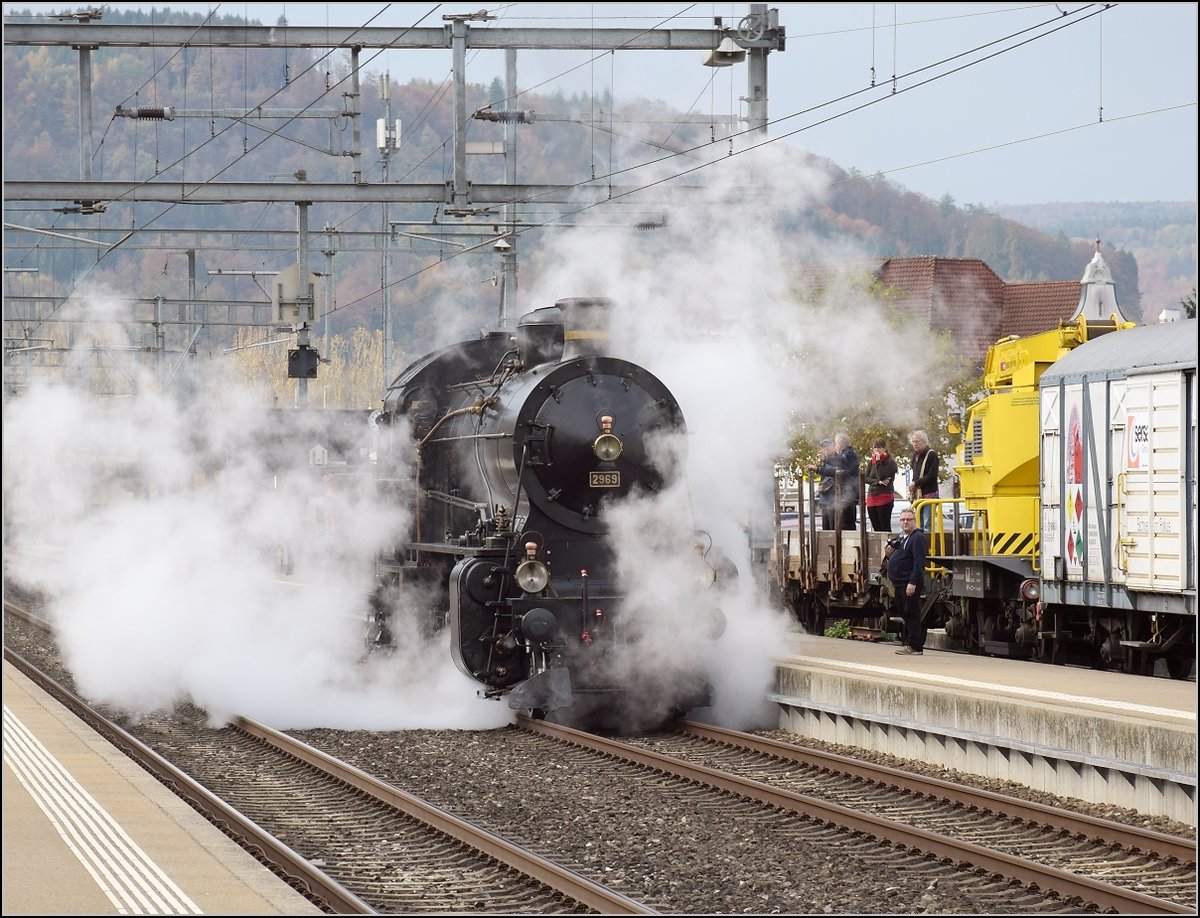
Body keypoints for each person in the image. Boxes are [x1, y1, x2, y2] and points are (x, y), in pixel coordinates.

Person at [885, 509, 929, 655]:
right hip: (899, 583)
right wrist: (889, 556)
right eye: (903, 519)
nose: (905, 522)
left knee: (911, 613)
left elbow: (919, 563)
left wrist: (913, 582)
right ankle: (912, 642)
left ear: (914, 521)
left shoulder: (917, 538)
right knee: (905, 613)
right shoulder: (903, 537)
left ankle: (915, 646)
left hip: (908, 583)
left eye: (908, 519)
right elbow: (900, 557)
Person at [907, 429, 940, 532]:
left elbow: (932, 475)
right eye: (913, 442)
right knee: (918, 524)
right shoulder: (915, 455)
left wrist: (916, 483)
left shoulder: (931, 455)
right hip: (918, 495)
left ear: (924, 441)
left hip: (929, 493)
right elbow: (915, 473)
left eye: (917, 441)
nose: (915, 444)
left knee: (927, 525)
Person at [864, 438, 898, 532]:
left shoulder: (890, 462)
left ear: (884, 448)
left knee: (884, 526)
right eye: (874, 448)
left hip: (884, 497)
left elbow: (881, 476)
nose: (876, 450)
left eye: (878, 448)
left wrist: (878, 462)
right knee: (875, 526)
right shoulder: (871, 462)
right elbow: (865, 478)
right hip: (872, 497)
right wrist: (877, 482)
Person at [831, 432, 860, 530]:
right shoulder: (846, 454)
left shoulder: (848, 454)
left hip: (849, 492)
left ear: (841, 443)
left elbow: (841, 461)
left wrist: (827, 458)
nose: (835, 446)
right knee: (844, 521)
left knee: (847, 521)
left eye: (836, 444)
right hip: (845, 491)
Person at [806, 439, 837, 530]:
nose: (826, 449)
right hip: (825, 499)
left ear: (833, 446)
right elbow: (823, 479)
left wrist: (817, 469)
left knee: (833, 527)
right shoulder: (824, 462)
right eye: (824, 447)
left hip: (834, 499)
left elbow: (833, 472)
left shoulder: (838, 459)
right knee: (826, 527)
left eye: (828, 446)